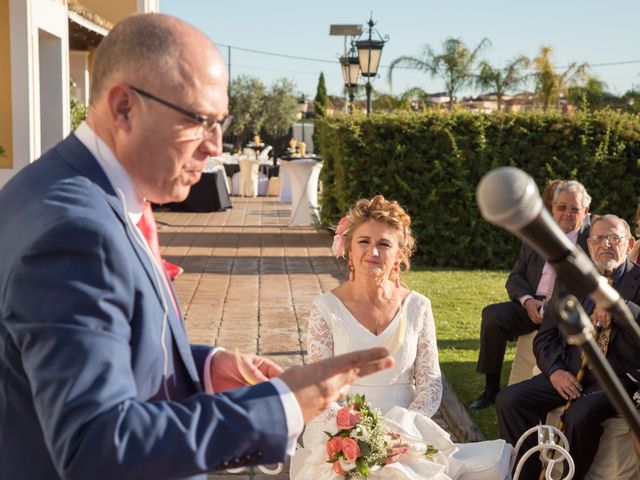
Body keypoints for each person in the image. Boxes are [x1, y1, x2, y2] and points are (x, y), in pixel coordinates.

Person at [0, 14, 394, 480]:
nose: (215, 146)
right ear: (123, 107)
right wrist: (281, 406)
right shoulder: (76, 230)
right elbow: (98, 446)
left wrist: (202, 369)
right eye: (200, 121)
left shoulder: (67, 187)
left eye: (220, 123)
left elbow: (104, 342)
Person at [290, 195, 512, 480]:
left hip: (407, 428)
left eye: (384, 244)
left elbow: (431, 384)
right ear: (348, 249)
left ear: (399, 254)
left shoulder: (418, 306)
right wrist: (357, 435)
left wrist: (399, 432)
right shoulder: (325, 308)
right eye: (364, 241)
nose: (373, 251)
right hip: (342, 429)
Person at [496, 214, 640, 480]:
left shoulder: (638, 281)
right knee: (510, 400)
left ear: (629, 243)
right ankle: (525, 475)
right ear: (588, 244)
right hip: (569, 370)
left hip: (614, 381)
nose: (606, 244)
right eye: (598, 238)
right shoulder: (570, 281)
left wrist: (620, 310)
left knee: (578, 416)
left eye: (615, 238)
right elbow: (545, 338)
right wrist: (555, 371)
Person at [470, 180, 591, 409]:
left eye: (574, 209)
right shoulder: (537, 236)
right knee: (493, 316)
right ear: (552, 208)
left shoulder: (591, 241)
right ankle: (491, 389)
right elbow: (516, 277)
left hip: (564, 314)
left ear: (585, 212)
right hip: (532, 306)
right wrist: (527, 301)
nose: (567, 213)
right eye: (561, 207)